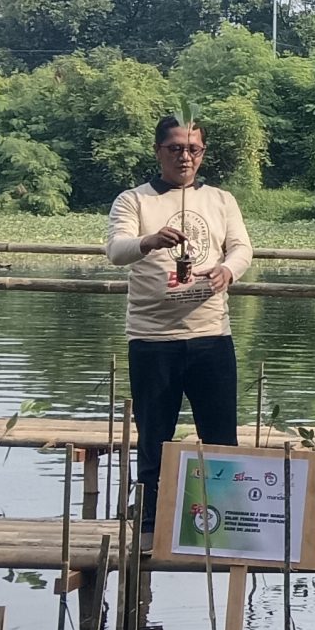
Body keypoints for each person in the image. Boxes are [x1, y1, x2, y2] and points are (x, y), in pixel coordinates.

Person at [105, 114, 252, 534]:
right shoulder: (133, 201)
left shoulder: (221, 199)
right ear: (158, 152)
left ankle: (226, 525)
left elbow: (241, 247)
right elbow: (116, 250)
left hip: (210, 336)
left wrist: (228, 270)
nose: (185, 157)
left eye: (193, 149)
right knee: (155, 438)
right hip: (153, 339)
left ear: (202, 153)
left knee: (221, 437)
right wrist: (149, 241)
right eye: (175, 148)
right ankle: (150, 525)